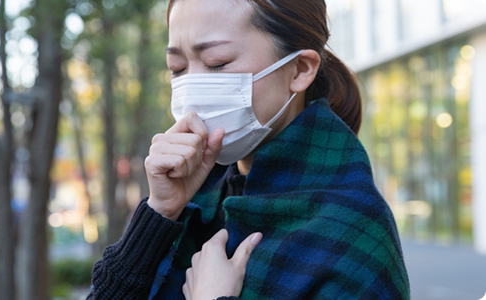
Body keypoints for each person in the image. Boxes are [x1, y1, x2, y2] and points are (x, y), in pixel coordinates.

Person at [87, 0, 410, 299]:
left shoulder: (351, 227)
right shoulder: (191, 197)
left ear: (299, 69)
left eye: (217, 63)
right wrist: (159, 211)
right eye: (178, 68)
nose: (193, 92)